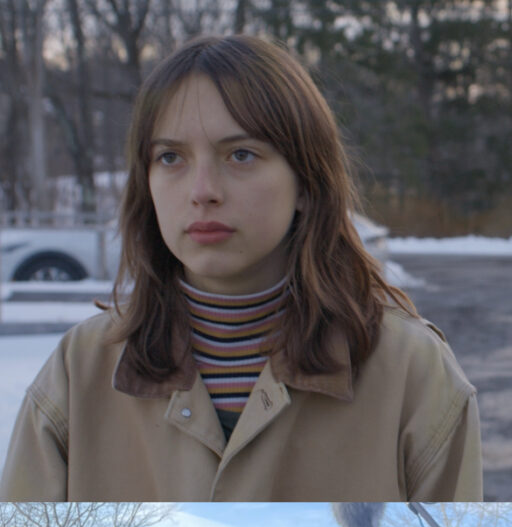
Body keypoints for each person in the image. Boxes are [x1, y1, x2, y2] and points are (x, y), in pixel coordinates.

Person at [0, 34, 481, 502]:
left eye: (241, 155)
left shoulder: (412, 375)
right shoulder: (79, 373)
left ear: (307, 184)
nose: (202, 189)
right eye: (171, 157)